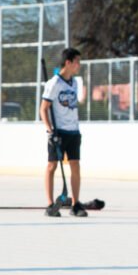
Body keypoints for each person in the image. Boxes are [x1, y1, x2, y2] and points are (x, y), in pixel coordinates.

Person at [41, 47, 87, 217]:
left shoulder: (74, 82)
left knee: (75, 165)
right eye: (77, 62)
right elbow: (43, 109)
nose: (79, 65)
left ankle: (75, 204)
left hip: (73, 132)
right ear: (68, 63)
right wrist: (50, 131)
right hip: (58, 132)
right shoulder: (54, 83)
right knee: (52, 166)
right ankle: (50, 204)